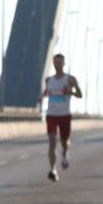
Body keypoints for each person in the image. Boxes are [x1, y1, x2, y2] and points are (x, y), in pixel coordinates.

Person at [38, 53, 82, 182]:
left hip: (64, 115)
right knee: (52, 142)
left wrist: (71, 92)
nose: (57, 65)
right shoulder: (49, 80)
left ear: (64, 63)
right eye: (55, 62)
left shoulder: (70, 79)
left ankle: (64, 153)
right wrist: (42, 97)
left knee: (64, 142)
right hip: (51, 115)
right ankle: (53, 169)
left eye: (59, 62)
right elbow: (46, 92)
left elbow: (80, 94)